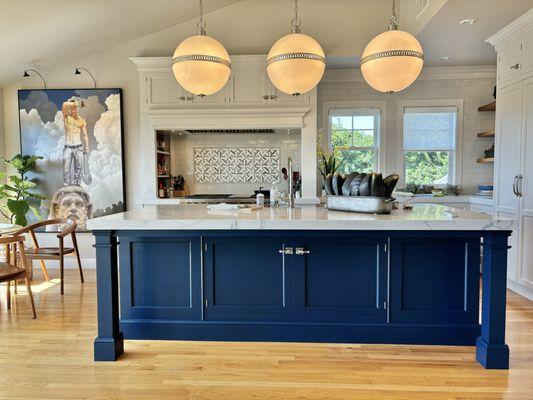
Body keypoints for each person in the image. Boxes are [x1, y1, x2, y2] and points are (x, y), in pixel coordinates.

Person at [61, 99, 91, 186]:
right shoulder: (66, 117)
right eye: (72, 107)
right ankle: (67, 187)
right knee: (66, 170)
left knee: (78, 170)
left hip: (79, 148)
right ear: (70, 108)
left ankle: (77, 188)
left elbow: (85, 135)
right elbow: (64, 104)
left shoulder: (81, 120)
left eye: (75, 107)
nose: (74, 109)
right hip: (68, 147)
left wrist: (86, 147)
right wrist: (77, 103)